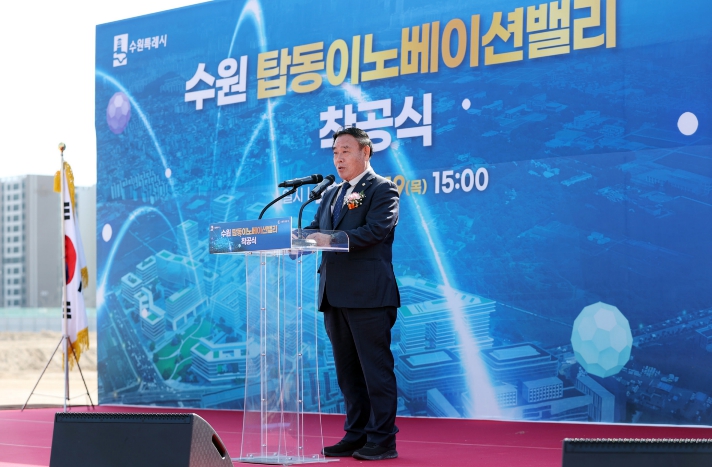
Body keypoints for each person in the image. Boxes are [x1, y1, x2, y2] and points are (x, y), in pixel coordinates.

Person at [304, 126, 401, 461]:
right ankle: (356, 434)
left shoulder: (382, 189)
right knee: (348, 374)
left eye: (345, 150)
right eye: (335, 152)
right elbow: (315, 230)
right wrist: (292, 240)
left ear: (365, 152)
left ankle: (382, 440)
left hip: (368, 295)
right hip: (333, 295)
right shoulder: (331, 193)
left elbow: (375, 231)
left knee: (375, 371)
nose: (338, 158)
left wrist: (328, 239)